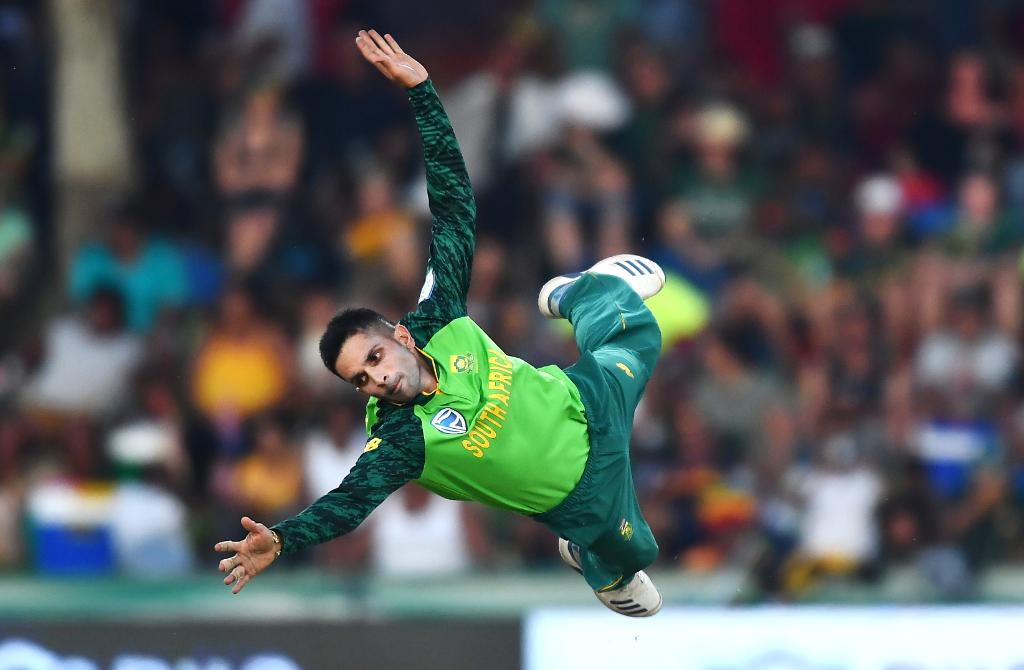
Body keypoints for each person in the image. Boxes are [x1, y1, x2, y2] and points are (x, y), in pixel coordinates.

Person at [214, 29, 667, 617]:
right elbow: (349, 502)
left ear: (398, 337)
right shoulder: (400, 440)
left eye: (373, 359)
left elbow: (454, 210)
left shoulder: (437, 316)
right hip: (582, 497)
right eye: (358, 380)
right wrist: (283, 538)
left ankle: (583, 292)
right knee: (637, 552)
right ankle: (590, 555)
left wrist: (424, 93)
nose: (374, 381)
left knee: (644, 333)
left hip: (585, 399)